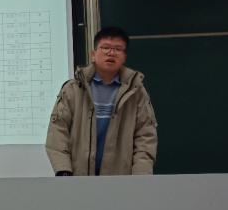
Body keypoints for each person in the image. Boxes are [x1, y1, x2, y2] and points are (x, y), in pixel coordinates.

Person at [46, 26, 157, 176]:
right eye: (105, 48)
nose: (111, 53)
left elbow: (145, 135)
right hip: (78, 179)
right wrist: (63, 169)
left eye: (118, 49)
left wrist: (141, 174)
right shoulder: (74, 89)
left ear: (124, 57)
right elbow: (58, 131)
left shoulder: (136, 92)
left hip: (121, 180)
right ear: (93, 55)